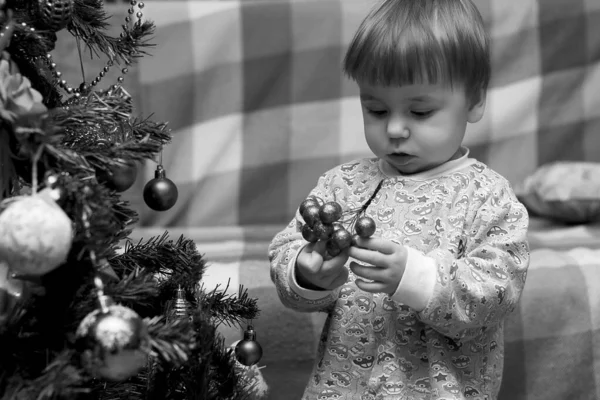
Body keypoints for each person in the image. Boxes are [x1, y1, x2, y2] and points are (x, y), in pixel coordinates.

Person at [268, 0, 530, 398]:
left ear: (475, 101)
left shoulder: (487, 197)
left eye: (420, 112)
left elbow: (496, 292)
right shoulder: (344, 185)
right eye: (375, 108)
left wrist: (416, 277)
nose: (394, 129)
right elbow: (288, 250)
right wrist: (306, 275)